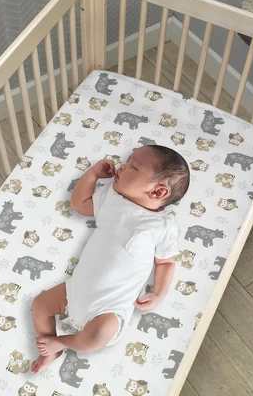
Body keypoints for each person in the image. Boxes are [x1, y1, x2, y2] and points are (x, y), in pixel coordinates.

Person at [30, 145, 190, 374]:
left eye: (133, 166)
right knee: (39, 305)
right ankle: (49, 348)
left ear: (158, 192)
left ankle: (63, 342)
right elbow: (79, 203)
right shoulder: (112, 198)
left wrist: (158, 293)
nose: (122, 166)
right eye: (127, 161)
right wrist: (92, 175)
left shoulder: (163, 226)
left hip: (109, 307)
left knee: (97, 336)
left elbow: (165, 262)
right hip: (75, 291)